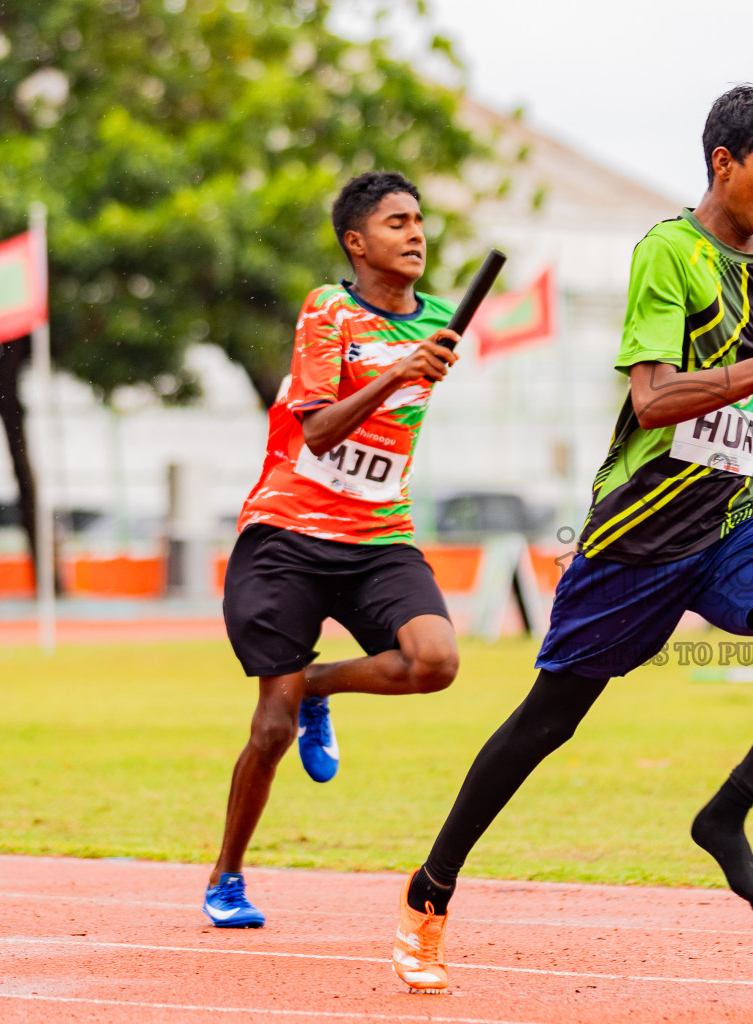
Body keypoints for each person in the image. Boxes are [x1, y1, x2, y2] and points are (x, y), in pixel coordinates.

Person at [389, 86, 753, 994]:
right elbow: (653, 399)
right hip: (641, 528)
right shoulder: (667, 253)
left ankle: (726, 813)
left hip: (732, 516)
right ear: (722, 164)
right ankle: (430, 889)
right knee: (548, 722)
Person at [203, 171, 462, 929]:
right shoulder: (329, 310)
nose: (415, 234)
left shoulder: (443, 318)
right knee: (271, 729)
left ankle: (318, 685)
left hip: (379, 536)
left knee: (436, 662)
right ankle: (227, 876)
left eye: (419, 221)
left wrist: (418, 361)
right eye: (395, 223)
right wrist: (397, 372)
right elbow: (318, 431)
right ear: (356, 242)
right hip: (288, 536)